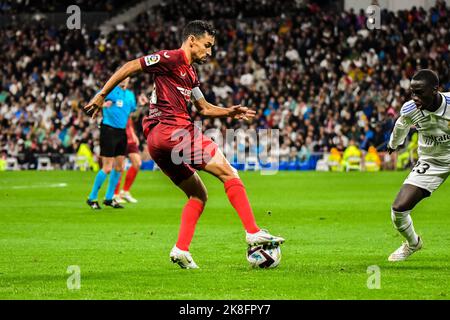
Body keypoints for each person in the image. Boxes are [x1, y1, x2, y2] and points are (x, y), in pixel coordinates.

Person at [84, 20, 284, 269]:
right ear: (192, 40)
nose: (209, 52)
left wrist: (229, 112)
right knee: (230, 173)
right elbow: (131, 66)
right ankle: (253, 232)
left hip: (157, 142)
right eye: (207, 45)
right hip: (175, 131)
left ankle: (181, 249)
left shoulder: (190, 74)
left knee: (198, 194)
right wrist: (101, 94)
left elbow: (204, 108)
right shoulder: (171, 57)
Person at [387, 69, 450, 261]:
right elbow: (401, 125)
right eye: (412, 92)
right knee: (398, 209)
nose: (415, 97)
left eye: (420, 92)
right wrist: (393, 144)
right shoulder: (410, 109)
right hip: (432, 161)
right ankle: (413, 243)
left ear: (435, 90)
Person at [86, 77, 137, 209]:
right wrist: (102, 105)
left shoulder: (130, 95)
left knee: (120, 167)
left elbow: (131, 112)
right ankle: (92, 197)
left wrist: (142, 105)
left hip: (122, 132)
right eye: (122, 77)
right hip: (108, 130)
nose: (124, 80)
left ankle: (109, 198)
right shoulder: (110, 90)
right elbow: (94, 102)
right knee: (107, 167)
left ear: (129, 80)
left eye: (126, 78)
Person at [113, 117, 142, 203]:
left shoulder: (129, 106)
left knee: (137, 163)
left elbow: (129, 123)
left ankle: (125, 192)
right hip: (121, 138)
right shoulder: (116, 105)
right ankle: (115, 194)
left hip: (131, 140)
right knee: (120, 167)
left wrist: (134, 135)